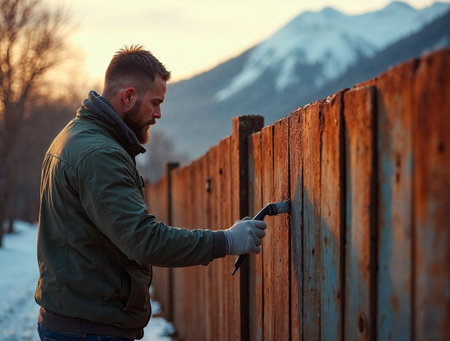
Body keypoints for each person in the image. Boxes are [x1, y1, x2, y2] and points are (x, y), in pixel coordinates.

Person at [34, 45, 267, 341]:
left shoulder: (74, 136)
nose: (158, 114)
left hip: (77, 321)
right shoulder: (99, 155)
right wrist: (227, 240)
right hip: (90, 330)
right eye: (155, 102)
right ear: (128, 96)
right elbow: (144, 241)